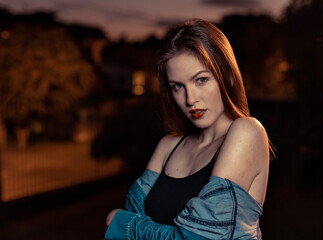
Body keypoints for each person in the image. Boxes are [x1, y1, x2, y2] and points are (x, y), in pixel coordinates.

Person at [105, 18, 270, 240]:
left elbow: (194, 238)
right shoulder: (168, 146)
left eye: (201, 80)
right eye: (177, 86)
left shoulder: (247, 132)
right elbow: (131, 215)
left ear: (227, 76)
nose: (190, 99)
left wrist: (119, 222)